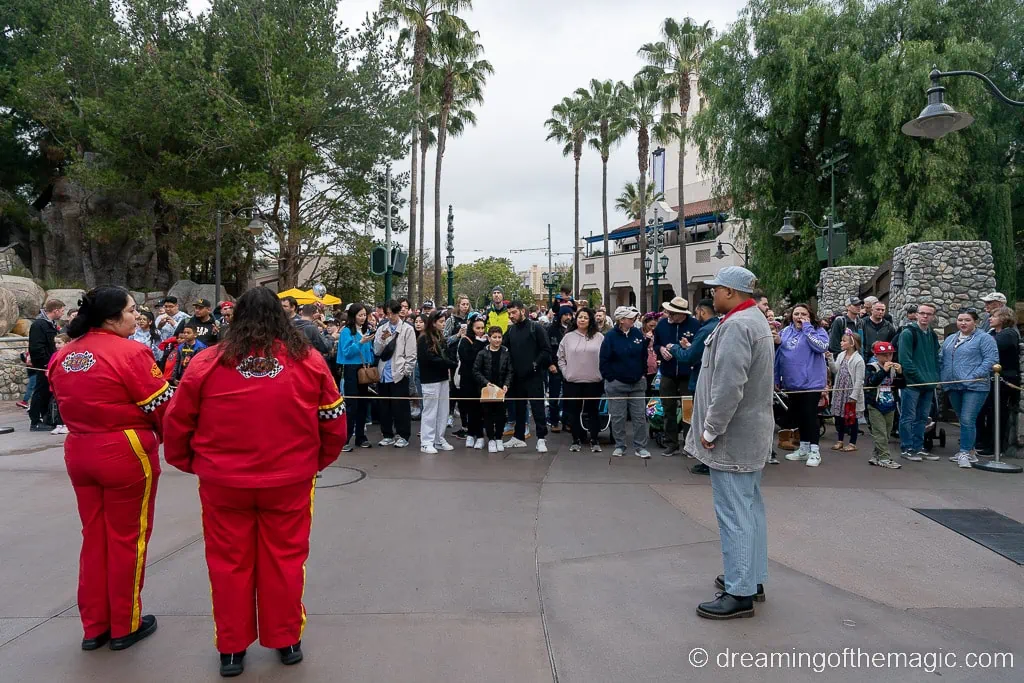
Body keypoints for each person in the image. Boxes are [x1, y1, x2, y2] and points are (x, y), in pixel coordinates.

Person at [162, 286, 346, 677]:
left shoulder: (207, 362)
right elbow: (334, 420)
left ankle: (231, 647)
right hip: (289, 480)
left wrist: (193, 463)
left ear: (236, 317)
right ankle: (286, 639)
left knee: (228, 562)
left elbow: (177, 421)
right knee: (286, 559)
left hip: (223, 482)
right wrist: (316, 462)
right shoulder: (309, 360)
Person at [48, 286, 173, 651]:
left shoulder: (64, 356)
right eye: (132, 311)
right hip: (124, 450)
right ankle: (124, 623)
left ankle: (95, 625)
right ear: (112, 317)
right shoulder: (132, 352)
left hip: (79, 450)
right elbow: (163, 407)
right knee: (127, 539)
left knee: (94, 537)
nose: (137, 316)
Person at [683, 266, 774, 620]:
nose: (712, 295)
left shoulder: (738, 325)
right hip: (747, 434)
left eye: (717, 289)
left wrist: (709, 430)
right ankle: (751, 578)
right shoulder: (751, 319)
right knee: (750, 509)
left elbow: (728, 387)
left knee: (734, 513)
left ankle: (739, 592)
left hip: (732, 437)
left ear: (732, 293)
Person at [940, 309, 998, 468]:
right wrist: (942, 376)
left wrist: (974, 375)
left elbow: (991, 359)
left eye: (967, 320)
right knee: (962, 419)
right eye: (960, 320)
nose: (963, 323)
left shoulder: (984, 338)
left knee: (967, 418)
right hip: (952, 385)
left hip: (975, 386)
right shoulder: (951, 338)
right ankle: (970, 451)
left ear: (975, 322)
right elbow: (942, 358)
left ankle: (964, 451)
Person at [667, 299, 720, 473]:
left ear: (702, 312)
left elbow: (689, 357)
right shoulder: (719, 326)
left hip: (702, 379)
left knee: (703, 418)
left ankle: (707, 460)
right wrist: (689, 347)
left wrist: (675, 348)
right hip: (709, 377)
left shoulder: (705, 329)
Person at [776, 303, 829, 466]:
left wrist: (807, 328)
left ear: (810, 315)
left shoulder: (818, 331)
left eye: (803, 314)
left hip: (812, 383)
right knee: (799, 417)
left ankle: (815, 451)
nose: (799, 317)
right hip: (792, 384)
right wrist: (776, 378)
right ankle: (804, 448)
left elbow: (821, 347)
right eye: (796, 313)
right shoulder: (785, 332)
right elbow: (779, 356)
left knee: (810, 417)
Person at [600, 306, 650, 458]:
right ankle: (620, 445)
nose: (633, 320)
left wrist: (643, 373)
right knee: (618, 416)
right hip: (616, 384)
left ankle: (640, 446)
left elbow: (643, 355)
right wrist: (610, 378)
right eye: (630, 318)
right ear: (621, 320)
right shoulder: (610, 337)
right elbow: (604, 360)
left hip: (637, 383)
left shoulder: (637, 334)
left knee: (640, 416)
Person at [654, 297, 700, 456]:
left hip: (687, 374)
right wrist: (660, 349)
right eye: (669, 312)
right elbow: (656, 344)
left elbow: (699, 348)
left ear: (682, 314)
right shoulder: (662, 324)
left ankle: (689, 443)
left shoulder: (695, 325)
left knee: (688, 410)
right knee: (668, 408)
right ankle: (671, 443)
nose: (670, 316)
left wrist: (687, 348)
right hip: (667, 373)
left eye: (673, 313)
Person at [503, 301, 551, 453]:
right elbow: (503, 348)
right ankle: (518, 437)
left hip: (534, 375)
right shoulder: (510, 330)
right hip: (516, 376)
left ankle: (541, 439)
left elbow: (546, 349)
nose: (511, 316)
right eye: (509, 313)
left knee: (537, 408)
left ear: (522, 311)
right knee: (518, 408)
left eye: (514, 312)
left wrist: (535, 364)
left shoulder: (535, 327)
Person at [897, 302, 941, 462]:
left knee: (923, 417)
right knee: (908, 416)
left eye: (928, 314)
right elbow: (905, 361)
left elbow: (936, 357)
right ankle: (907, 447)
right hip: (913, 383)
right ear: (916, 314)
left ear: (933, 316)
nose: (925, 316)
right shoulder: (908, 333)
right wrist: (921, 379)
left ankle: (918, 446)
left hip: (928, 383)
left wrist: (935, 377)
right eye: (922, 313)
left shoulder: (932, 335)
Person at [557, 308, 605, 452]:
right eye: (579, 317)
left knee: (593, 411)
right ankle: (576, 440)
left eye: (585, 317)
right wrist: (566, 373)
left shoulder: (599, 337)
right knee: (573, 412)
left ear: (590, 320)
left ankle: (595, 440)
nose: (582, 319)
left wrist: (601, 374)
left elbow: (606, 357)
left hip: (594, 381)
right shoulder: (568, 337)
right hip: (572, 382)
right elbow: (560, 358)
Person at [977, 306, 1020, 455]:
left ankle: (997, 447)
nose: (990, 318)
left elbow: (990, 346)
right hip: (993, 379)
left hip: (1004, 380)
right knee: (990, 412)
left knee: (999, 414)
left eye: (994, 316)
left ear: (1003, 318)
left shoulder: (1009, 334)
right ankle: (987, 442)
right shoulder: (993, 333)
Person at [373, 300, 416, 448]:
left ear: (398, 312)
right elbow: (377, 351)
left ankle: (403, 435)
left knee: (401, 406)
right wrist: (382, 339)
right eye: (388, 313)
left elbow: (411, 354)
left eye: (393, 313)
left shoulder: (407, 329)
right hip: (384, 371)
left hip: (399, 372)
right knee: (384, 406)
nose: (390, 316)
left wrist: (406, 371)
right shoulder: (382, 328)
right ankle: (387, 434)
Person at [337, 304, 375, 451]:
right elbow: (346, 352)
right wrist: (360, 342)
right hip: (351, 369)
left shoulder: (366, 330)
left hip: (364, 367)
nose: (363, 318)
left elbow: (370, 351)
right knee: (352, 404)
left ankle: (360, 436)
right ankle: (345, 438)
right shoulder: (347, 331)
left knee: (363, 403)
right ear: (353, 316)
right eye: (360, 315)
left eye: (364, 315)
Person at [417, 310, 456, 454]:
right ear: (433, 322)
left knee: (443, 410)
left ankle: (439, 438)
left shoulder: (440, 337)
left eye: (444, 321)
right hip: (430, 379)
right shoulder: (424, 338)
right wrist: (448, 363)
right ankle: (426, 441)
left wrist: (449, 363)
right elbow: (429, 358)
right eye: (441, 321)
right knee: (430, 411)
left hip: (442, 378)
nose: (443, 324)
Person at [473, 326, 513, 453]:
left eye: (499, 337)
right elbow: (476, 370)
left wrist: (506, 384)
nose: (497, 340)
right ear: (489, 338)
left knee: (501, 415)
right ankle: (490, 439)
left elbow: (510, 371)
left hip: (501, 389)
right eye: (494, 337)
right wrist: (486, 383)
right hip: (487, 389)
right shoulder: (482, 353)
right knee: (488, 414)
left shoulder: (506, 353)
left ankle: (499, 438)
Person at [28, 299, 66, 432]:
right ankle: (35, 420)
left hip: (51, 363)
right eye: (61, 311)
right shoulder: (39, 325)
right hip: (44, 365)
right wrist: (45, 363)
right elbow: (36, 346)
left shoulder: (51, 324)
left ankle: (47, 416)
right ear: (55, 310)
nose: (62, 313)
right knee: (40, 390)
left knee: (47, 392)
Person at [864, 341, 902, 469]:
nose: (888, 358)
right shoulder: (872, 367)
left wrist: (900, 374)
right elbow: (871, 383)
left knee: (886, 432)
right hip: (875, 404)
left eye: (890, 355)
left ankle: (876, 455)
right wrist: (883, 371)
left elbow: (901, 386)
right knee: (879, 431)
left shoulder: (893, 368)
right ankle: (885, 458)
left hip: (889, 403)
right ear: (877, 355)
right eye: (884, 355)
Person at [828, 330, 865, 453]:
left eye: (844, 341)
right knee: (839, 417)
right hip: (840, 390)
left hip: (850, 391)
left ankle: (852, 442)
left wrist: (854, 396)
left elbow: (859, 380)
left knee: (851, 418)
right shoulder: (841, 355)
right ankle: (840, 440)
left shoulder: (858, 360)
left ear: (852, 344)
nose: (841, 342)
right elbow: (835, 370)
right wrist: (830, 359)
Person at [455, 315, 488, 449]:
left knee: (479, 409)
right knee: (468, 407)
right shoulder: (465, 341)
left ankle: (479, 435)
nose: (480, 330)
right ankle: (470, 434)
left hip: (480, 380)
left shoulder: (486, 341)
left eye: (482, 328)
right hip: (467, 379)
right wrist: (478, 343)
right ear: (472, 328)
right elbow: (468, 358)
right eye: (477, 328)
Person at [546, 305, 573, 432]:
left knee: (568, 396)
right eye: (565, 314)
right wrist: (550, 364)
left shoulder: (573, 330)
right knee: (554, 396)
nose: (568, 317)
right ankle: (554, 421)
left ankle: (567, 421)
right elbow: (547, 349)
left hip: (570, 367)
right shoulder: (552, 330)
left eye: (570, 315)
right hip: (555, 367)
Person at [46, 333, 71, 435]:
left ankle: (66, 424)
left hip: (65, 385)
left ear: (67, 343)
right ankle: (59, 424)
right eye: (55, 343)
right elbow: (49, 367)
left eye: (59, 343)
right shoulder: (54, 355)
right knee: (57, 405)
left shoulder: (69, 354)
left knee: (66, 405)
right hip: (55, 385)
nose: (56, 345)